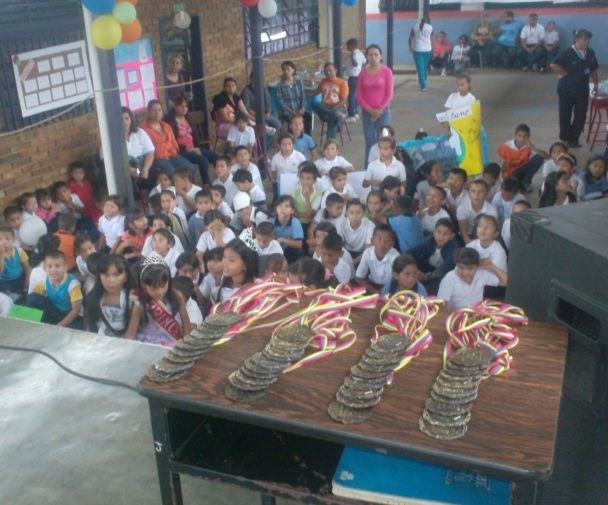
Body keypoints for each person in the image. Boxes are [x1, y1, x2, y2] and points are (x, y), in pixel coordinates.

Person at [126, 254, 191, 346]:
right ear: (144, 285)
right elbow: (130, 335)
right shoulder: (139, 305)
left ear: (168, 281)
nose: (159, 291)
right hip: (148, 346)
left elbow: (186, 325)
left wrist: (186, 346)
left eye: (163, 286)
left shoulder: (177, 297)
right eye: (154, 287)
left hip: (173, 344)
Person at [550, 29, 600, 148]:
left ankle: (573, 138)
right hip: (566, 89)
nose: (587, 41)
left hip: (582, 89)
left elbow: (593, 69)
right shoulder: (568, 52)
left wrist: (596, 84)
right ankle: (565, 137)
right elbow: (553, 64)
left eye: (588, 39)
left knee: (581, 115)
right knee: (565, 114)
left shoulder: (590, 53)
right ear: (577, 39)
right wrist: (564, 73)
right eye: (584, 39)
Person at [357, 44, 394, 167]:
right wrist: (370, 110)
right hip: (367, 113)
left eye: (376, 54)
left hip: (383, 113)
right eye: (370, 55)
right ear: (366, 57)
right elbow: (359, 96)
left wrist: (379, 110)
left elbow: (389, 94)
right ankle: (368, 168)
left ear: (381, 56)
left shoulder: (387, 72)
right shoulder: (362, 74)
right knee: (369, 142)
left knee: (384, 141)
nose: (373, 57)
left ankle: (385, 167)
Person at [139, 100, 196, 178]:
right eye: (154, 110)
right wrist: (167, 148)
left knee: (190, 168)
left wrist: (171, 150)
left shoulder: (166, 126)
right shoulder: (143, 128)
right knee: (173, 173)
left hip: (171, 155)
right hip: (156, 159)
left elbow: (174, 144)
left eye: (159, 110)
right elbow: (154, 150)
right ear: (148, 112)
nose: (157, 113)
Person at [26, 250, 83, 328]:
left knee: (78, 327)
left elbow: (76, 310)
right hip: (54, 310)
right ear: (44, 268)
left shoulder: (72, 285)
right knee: (32, 297)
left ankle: (52, 325)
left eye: (57, 266)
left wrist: (60, 326)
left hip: (69, 314)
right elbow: (35, 298)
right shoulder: (44, 281)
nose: (53, 270)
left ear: (66, 267)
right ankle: (39, 324)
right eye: (50, 266)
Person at [165, 96, 213, 186]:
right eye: (181, 106)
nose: (184, 108)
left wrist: (197, 147)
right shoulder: (170, 122)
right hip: (181, 150)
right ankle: (206, 184)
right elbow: (172, 141)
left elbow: (195, 135)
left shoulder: (188, 118)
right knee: (203, 160)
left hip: (193, 148)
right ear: (175, 107)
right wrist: (186, 148)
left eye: (186, 106)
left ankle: (221, 179)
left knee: (214, 156)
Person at [437, 247, 505, 310]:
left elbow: (505, 282)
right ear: (456, 264)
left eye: (470, 269)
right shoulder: (449, 279)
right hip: (457, 315)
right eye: (461, 268)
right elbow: (439, 306)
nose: (465, 273)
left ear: (477, 267)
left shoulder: (481, 273)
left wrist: (492, 267)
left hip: (478, 314)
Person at [85, 254, 135, 337]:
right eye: (106, 275)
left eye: (116, 275)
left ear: (126, 277)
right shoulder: (95, 297)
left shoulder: (132, 299)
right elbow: (90, 324)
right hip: (106, 333)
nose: (111, 280)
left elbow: (132, 332)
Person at [408, 218, 458, 294]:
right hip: (427, 268)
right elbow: (412, 252)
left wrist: (426, 277)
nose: (441, 237)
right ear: (434, 232)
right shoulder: (429, 241)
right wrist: (416, 271)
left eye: (445, 234)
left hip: (443, 274)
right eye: (438, 232)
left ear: (452, 236)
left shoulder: (454, 249)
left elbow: (444, 268)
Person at [497, 124, 547, 191]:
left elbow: (547, 157)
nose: (522, 139)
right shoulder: (506, 146)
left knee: (539, 158)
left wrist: (533, 148)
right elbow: (503, 165)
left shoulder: (529, 146)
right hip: (510, 174)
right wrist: (504, 180)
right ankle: (516, 184)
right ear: (515, 135)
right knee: (511, 188)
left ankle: (525, 182)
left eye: (525, 136)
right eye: (519, 136)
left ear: (529, 137)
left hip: (521, 171)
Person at [355, 224, 399, 292]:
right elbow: (358, 277)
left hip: (389, 287)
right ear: (372, 241)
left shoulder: (396, 257)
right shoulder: (367, 253)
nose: (382, 244)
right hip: (371, 285)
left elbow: (398, 280)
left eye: (387, 240)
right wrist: (375, 292)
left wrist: (383, 293)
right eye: (379, 239)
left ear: (392, 243)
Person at [310, 62, 349, 140]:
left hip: (339, 107)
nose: (328, 73)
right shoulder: (323, 81)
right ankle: (331, 142)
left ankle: (330, 141)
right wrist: (304, 94)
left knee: (332, 117)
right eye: (326, 71)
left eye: (330, 70)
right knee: (313, 103)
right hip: (325, 108)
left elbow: (344, 101)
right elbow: (315, 92)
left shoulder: (342, 83)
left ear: (335, 71)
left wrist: (334, 108)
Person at [241, 72, 281, 141]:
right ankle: (264, 143)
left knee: (278, 125)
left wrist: (268, 111)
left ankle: (267, 143)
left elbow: (268, 100)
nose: (256, 80)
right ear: (251, 79)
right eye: (254, 79)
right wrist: (257, 115)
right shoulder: (246, 91)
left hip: (264, 114)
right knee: (271, 126)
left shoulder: (263, 87)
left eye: (258, 79)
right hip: (253, 116)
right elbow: (246, 108)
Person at [122, 107, 155, 189]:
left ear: (131, 119)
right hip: (125, 167)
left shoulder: (139, 132)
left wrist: (145, 169)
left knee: (154, 177)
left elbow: (150, 152)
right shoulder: (112, 137)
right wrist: (130, 170)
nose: (124, 122)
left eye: (126, 118)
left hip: (142, 165)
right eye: (120, 119)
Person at [276, 60, 311, 134]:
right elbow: (281, 102)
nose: (286, 71)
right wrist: (292, 112)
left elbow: (303, 96)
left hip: (299, 109)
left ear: (293, 70)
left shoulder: (299, 82)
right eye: (284, 70)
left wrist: (302, 108)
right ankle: (293, 137)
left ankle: (307, 137)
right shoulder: (280, 85)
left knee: (308, 116)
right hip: (288, 111)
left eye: (288, 69)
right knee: (294, 121)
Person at [270, 195, 304, 262]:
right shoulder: (270, 221)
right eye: (280, 205)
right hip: (274, 250)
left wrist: (282, 240)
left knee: (299, 251)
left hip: (288, 250)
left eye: (287, 206)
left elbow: (299, 244)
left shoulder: (295, 222)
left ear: (292, 210)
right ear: (276, 209)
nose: (282, 209)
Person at [293, 162, 322, 238]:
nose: (304, 181)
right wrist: (299, 215)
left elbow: (310, 215)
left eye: (308, 178)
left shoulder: (318, 195)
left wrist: (306, 197)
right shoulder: (295, 191)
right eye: (302, 178)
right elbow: (293, 210)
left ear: (314, 180)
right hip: (297, 222)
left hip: (310, 223)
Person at [0, 225, 30, 297]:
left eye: (7, 239)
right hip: (5, 281)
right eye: (0, 239)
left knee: (26, 283)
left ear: (13, 240)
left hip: (19, 277)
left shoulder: (19, 251)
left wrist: (28, 279)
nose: (4, 242)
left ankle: (20, 292)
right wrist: (1, 255)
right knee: (5, 290)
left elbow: (27, 267)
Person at [409, 15, 434, 92]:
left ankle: (423, 85)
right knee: (424, 67)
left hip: (418, 50)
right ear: (429, 21)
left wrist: (410, 47)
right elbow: (432, 39)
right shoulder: (430, 27)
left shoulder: (415, 26)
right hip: (428, 50)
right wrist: (432, 50)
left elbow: (410, 38)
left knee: (420, 68)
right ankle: (424, 81)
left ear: (421, 20)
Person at [345, 38, 367, 122]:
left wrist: (351, 57)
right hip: (358, 76)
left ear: (351, 46)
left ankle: (351, 115)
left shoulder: (354, 54)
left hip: (353, 77)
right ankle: (356, 112)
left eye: (347, 46)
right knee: (355, 95)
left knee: (351, 96)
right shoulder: (360, 53)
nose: (347, 48)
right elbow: (364, 62)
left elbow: (355, 64)